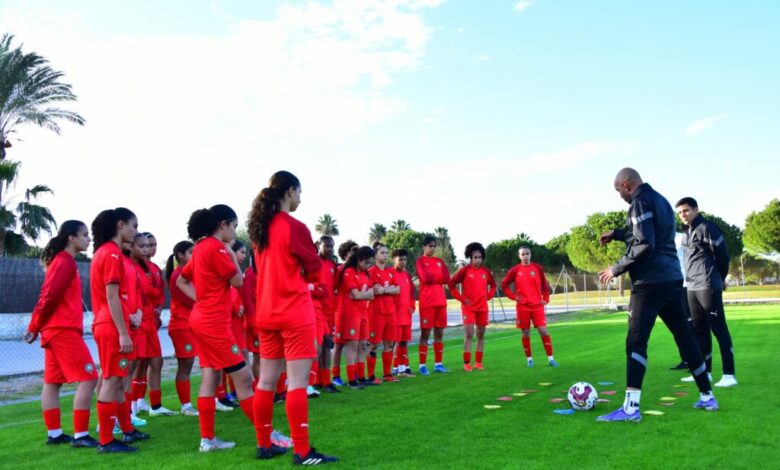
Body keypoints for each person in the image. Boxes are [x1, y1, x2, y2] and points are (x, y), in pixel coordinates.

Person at [597, 168, 718, 422]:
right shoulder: (660, 200)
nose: (619, 195)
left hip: (649, 284)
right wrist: (617, 234)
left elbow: (644, 243)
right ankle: (707, 396)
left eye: (618, 190)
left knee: (636, 341)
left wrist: (616, 268)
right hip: (672, 280)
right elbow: (647, 233)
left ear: (627, 185)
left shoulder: (639, 202)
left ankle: (630, 409)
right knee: (685, 338)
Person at [249, 171, 338, 464]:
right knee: (297, 383)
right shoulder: (294, 226)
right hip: (293, 311)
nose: (301, 198)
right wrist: (302, 273)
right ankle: (302, 451)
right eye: (299, 192)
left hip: (267, 312)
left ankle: (264, 444)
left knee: (266, 382)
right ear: (289, 191)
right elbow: (314, 269)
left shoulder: (260, 229)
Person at [176, 204, 259, 453]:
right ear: (222, 224)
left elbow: (182, 280)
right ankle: (268, 434)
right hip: (214, 325)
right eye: (233, 226)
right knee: (243, 377)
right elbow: (237, 281)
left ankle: (207, 440)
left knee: (210, 377)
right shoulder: (215, 248)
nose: (235, 233)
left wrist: (200, 300)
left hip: (203, 320)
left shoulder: (201, 248)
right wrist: (232, 253)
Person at [24, 220, 99, 448]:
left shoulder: (63, 262)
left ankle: (55, 434)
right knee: (89, 377)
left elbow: (47, 295)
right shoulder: (65, 262)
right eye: (85, 235)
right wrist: (34, 326)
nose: (89, 239)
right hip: (62, 330)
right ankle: (81, 435)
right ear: (71, 237)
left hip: (56, 330)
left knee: (53, 382)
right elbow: (49, 296)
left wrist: (36, 327)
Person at [90, 208, 149, 452]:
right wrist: (123, 332)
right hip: (111, 327)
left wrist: (134, 315)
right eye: (134, 226)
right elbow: (111, 296)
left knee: (119, 380)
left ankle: (126, 429)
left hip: (113, 324)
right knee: (112, 380)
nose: (135, 232)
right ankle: (106, 440)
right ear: (121, 225)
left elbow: (120, 297)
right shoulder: (112, 254)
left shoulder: (110, 253)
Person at [676, 197, 737, 387]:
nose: (683, 215)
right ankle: (706, 372)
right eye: (679, 212)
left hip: (708, 284)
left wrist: (719, 278)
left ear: (695, 209)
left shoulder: (708, 228)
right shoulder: (686, 233)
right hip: (691, 286)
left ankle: (729, 375)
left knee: (719, 329)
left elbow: (723, 256)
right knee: (699, 330)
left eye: (686, 210)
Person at [501, 246, 557, 367]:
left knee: (543, 331)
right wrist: (515, 297)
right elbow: (504, 285)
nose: (525, 256)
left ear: (530, 255)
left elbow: (544, 286)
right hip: (523, 307)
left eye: (527, 254)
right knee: (525, 332)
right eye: (523, 254)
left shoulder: (537, 268)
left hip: (537, 306)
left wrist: (546, 298)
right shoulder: (515, 270)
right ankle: (529, 360)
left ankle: (551, 359)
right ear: (519, 256)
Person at [449, 242, 496, 371]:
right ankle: (467, 363)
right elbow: (451, 284)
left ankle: (479, 363)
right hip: (468, 307)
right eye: (475, 257)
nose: (478, 260)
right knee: (469, 334)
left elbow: (493, 285)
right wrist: (462, 299)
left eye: (480, 257)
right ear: (470, 258)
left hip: (482, 308)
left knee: (481, 335)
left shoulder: (485, 271)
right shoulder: (464, 270)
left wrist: (489, 295)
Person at [166, 240, 200, 416]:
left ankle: (188, 404)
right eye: (191, 253)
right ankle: (185, 406)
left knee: (189, 363)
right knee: (185, 365)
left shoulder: (189, 274)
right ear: (180, 255)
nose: (195, 256)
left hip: (189, 324)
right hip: (181, 325)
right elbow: (191, 300)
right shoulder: (178, 276)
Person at [335, 246, 375, 389]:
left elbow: (370, 294)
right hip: (351, 313)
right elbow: (356, 294)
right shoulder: (348, 272)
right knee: (353, 346)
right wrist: (361, 294)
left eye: (370, 263)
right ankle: (352, 380)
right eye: (366, 262)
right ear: (359, 259)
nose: (368, 266)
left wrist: (360, 294)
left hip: (363, 312)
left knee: (362, 346)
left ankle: (361, 377)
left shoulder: (366, 274)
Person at [416, 235, 451, 374]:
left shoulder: (439, 262)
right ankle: (422, 365)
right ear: (424, 247)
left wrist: (435, 278)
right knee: (425, 334)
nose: (432, 248)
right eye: (430, 245)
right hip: (427, 302)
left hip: (440, 302)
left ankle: (438, 364)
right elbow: (425, 278)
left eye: (434, 245)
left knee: (439, 333)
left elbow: (447, 279)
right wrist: (438, 278)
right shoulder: (420, 261)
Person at [366, 243, 400, 383]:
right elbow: (372, 291)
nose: (385, 255)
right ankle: (371, 376)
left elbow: (397, 290)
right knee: (373, 344)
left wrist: (385, 290)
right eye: (382, 253)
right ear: (375, 256)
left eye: (386, 253)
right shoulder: (370, 272)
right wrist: (387, 289)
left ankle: (387, 375)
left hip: (390, 313)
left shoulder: (391, 271)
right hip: (376, 313)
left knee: (389, 344)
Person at [310, 236, 339, 393]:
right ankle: (315, 382)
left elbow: (331, 288)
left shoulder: (331, 264)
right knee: (318, 347)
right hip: (315, 310)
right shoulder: (312, 262)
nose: (330, 249)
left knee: (327, 345)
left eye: (332, 246)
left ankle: (325, 381)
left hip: (329, 310)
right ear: (318, 245)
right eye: (327, 246)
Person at [331, 240, 358, 386]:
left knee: (354, 344)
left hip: (354, 313)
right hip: (340, 311)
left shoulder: (357, 271)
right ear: (344, 254)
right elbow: (332, 287)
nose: (354, 256)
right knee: (339, 344)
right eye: (351, 253)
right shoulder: (340, 269)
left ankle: (352, 375)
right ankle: (335, 375)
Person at [391, 249, 416, 377]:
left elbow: (411, 292)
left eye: (405, 259)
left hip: (406, 314)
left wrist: (412, 304)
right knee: (396, 341)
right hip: (395, 315)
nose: (403, 262)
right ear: (394, 260)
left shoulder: (406, 274)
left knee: (404, 342)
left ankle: (404, 367)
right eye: (400, 259)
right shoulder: (390, 273)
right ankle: (396, 368)